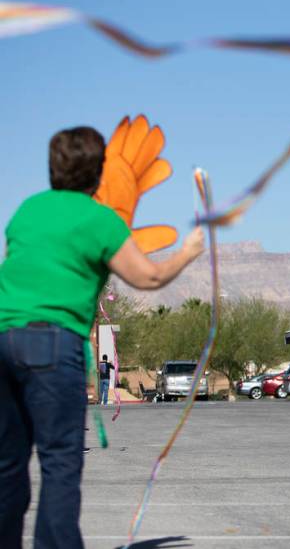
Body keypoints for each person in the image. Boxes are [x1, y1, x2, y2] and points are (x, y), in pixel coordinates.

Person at [0, 126, 205, 549]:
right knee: (59, 463)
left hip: (3, 340)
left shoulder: (26, 211)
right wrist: (187, 252)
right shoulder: (99, 219)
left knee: (6, 464)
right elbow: (146, 275)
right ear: (98, 174)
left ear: (52, 168)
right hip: (52, 347)